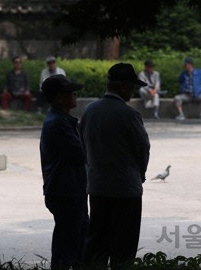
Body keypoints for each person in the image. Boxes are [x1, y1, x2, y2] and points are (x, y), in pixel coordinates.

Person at [80, 63, 150, 269]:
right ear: (123, 87)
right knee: (124, 247)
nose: (132, 92)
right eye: (131, 87)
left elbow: (83, 145)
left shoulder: (89, 111)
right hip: (126, 189)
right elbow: (143, 149)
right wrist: (140, 174)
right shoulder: (129, 115)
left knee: (97, 242)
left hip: (98, 186)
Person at [39, 75, 88, 270]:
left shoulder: (61, 120)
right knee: (69, 243)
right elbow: (80, 154)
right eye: (71, 93)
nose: (75, 96)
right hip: (66, 191)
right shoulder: (59, 124)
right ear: (59, 98)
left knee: (74, 240)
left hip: (68, 189)